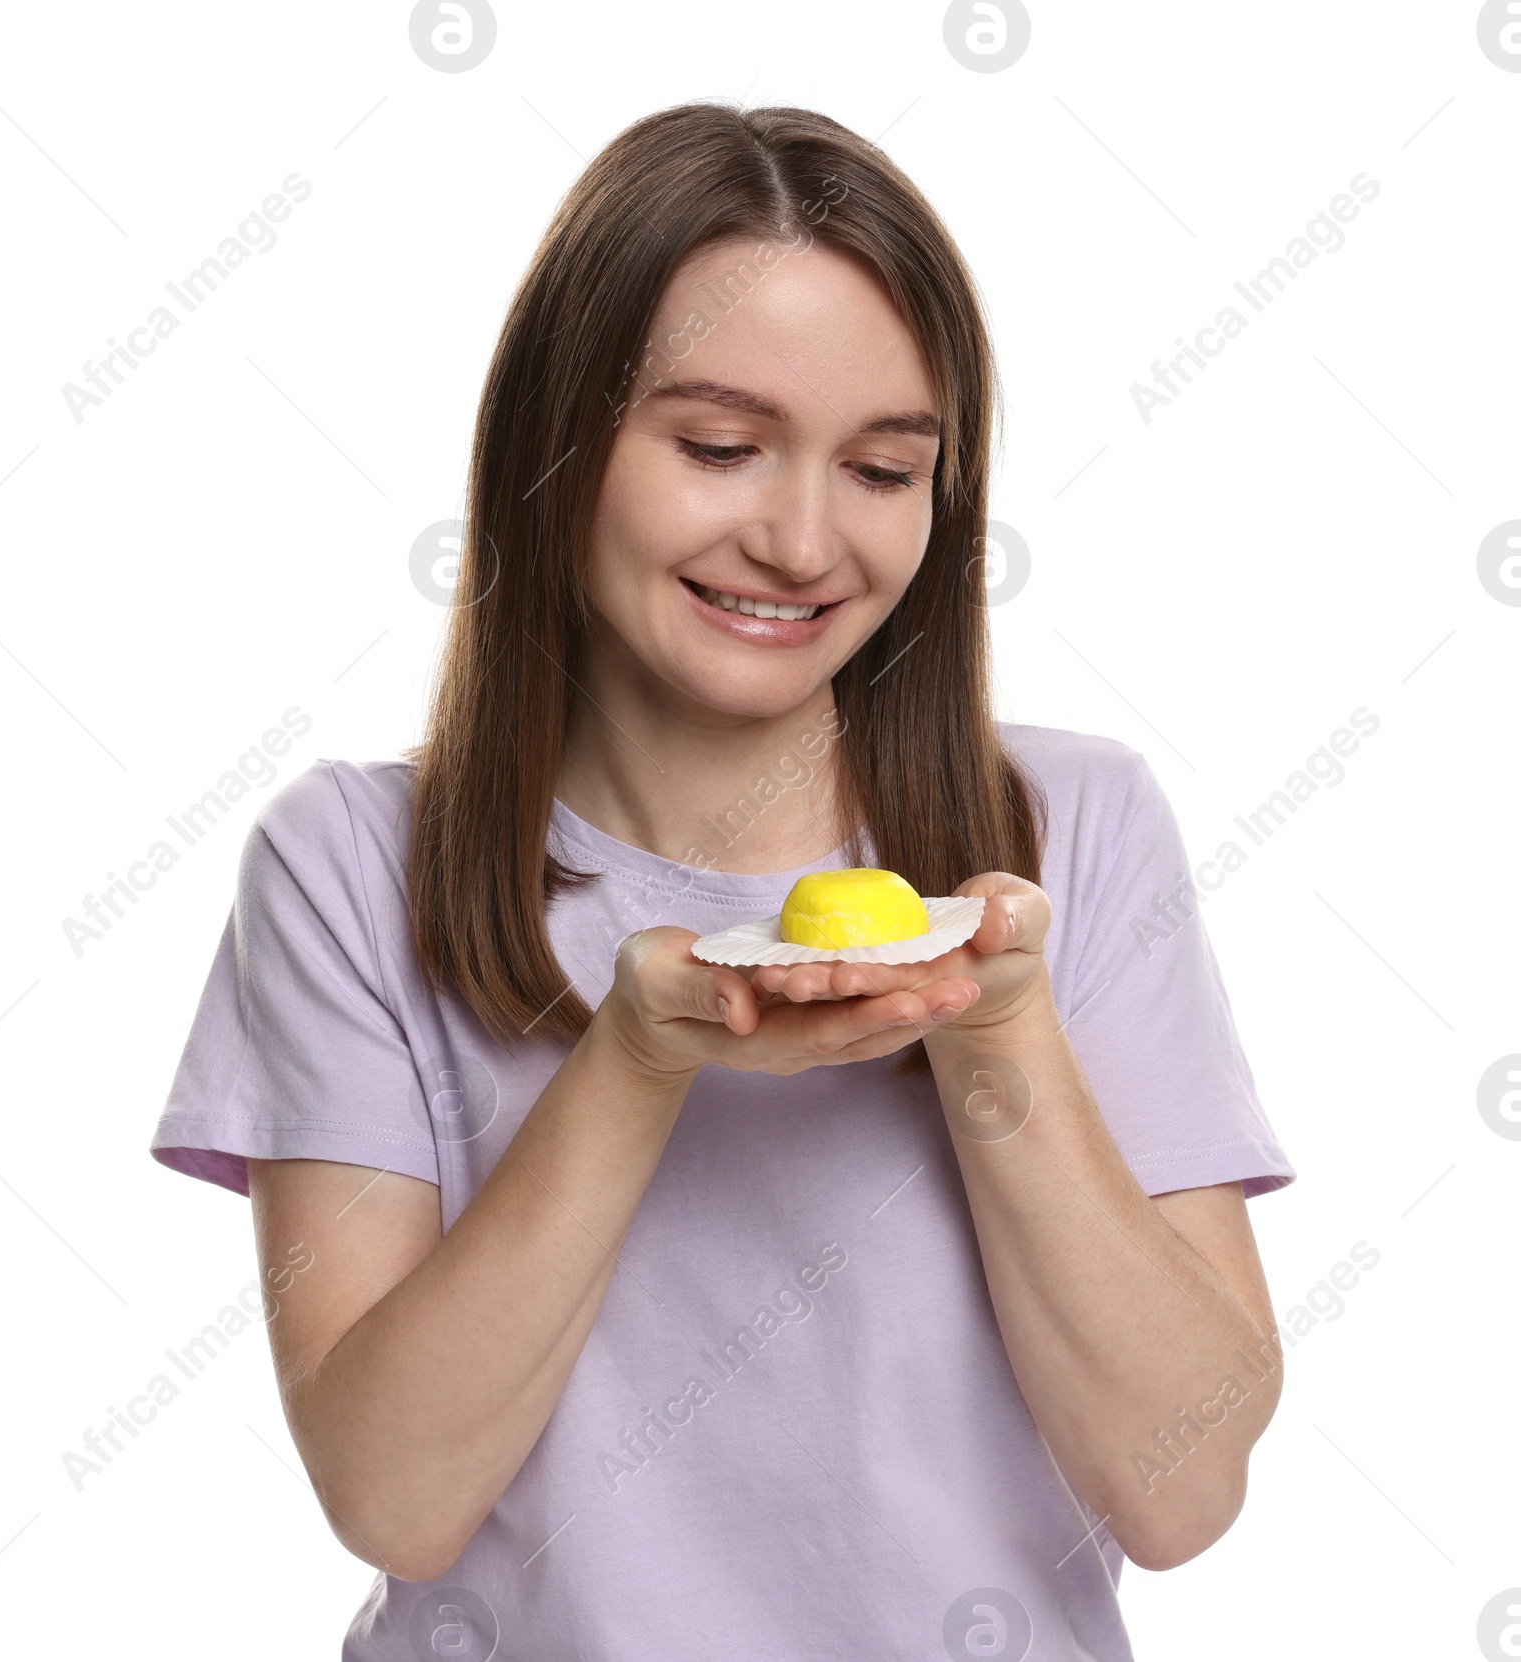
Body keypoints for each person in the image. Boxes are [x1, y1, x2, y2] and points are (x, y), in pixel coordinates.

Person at [149, 100, 1296, 1662]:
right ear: (558, 444)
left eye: (885, 469)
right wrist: (636, 1057)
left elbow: (1186, 1492)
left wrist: (996, 1028)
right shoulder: (348, 867)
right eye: (718, 448)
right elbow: (390, 1493)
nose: (804, 539)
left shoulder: (1065, 829)